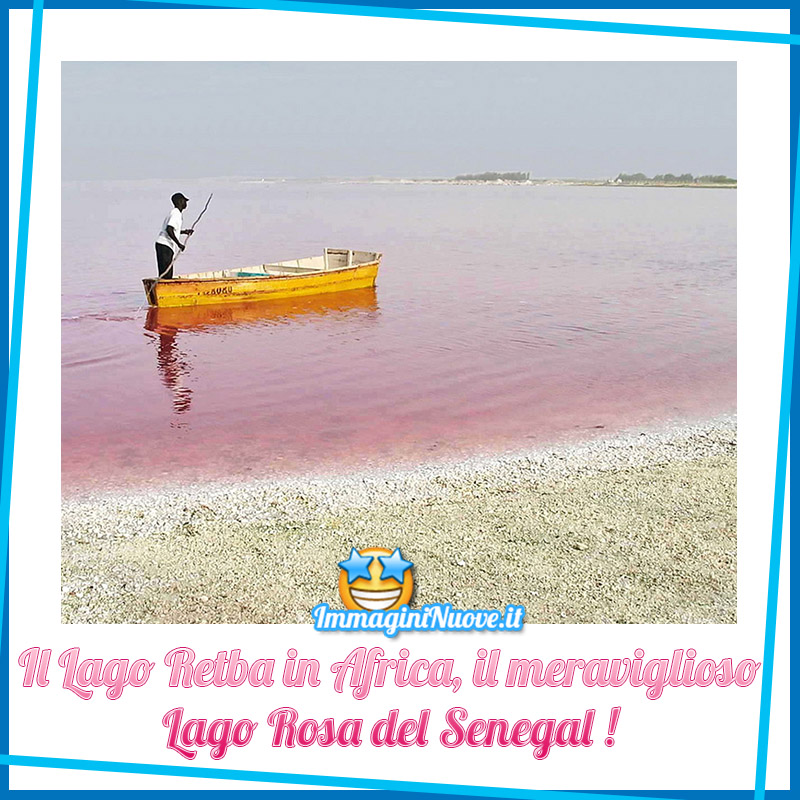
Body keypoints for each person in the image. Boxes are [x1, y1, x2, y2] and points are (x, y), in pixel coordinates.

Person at [155, 193, 194, 279]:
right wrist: (179, 244)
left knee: (164, 273)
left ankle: (162, 289)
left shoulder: (173, 213)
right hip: (166, 245)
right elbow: (169, 229)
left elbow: (172, 230)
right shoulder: (176, 214)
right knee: (167, 274)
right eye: (184, 201)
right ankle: (165, 290)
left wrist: (184, 232)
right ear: (180, 201)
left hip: (161, 244)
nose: (186, 203)